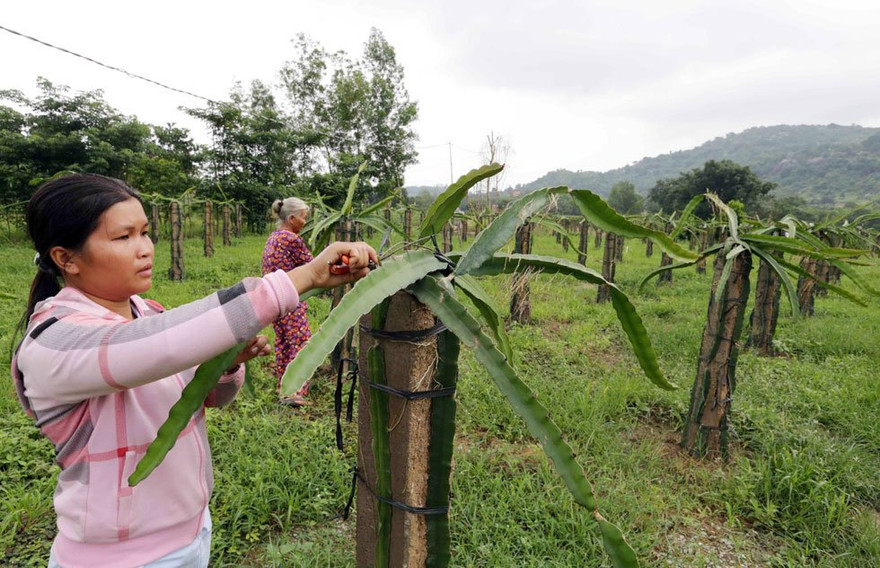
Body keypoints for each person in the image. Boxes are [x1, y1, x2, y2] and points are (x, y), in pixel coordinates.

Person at [11, 173, 377, 568]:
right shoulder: (52, 340)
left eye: (146, 232)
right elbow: (158, 343)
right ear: (65, 258)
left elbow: (205, 396)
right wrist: (305, 277)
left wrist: (227, 365)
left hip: (192, 535)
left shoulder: (147, 312)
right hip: (117, 558)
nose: (145, 249)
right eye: (123, 237)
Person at [261, 197, 313, 406]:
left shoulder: (274, 238)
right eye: (303, 218)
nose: (305, 222)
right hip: (291, 297)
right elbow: (313, 265)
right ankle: (295, 392)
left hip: (274, 298)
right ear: (292, 218)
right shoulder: (292, 240)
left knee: (283, 342)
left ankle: (283, 386)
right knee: (302, 343)